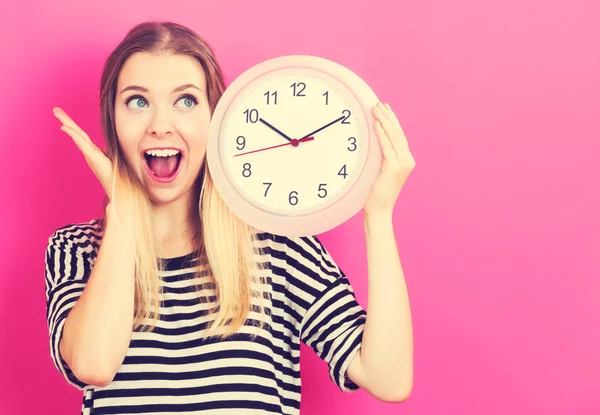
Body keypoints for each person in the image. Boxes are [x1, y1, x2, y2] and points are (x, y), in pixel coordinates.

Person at [45, 21, 415, 415]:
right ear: (112, 121)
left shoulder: (279, 246)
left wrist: (378, 216)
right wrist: (121, 215)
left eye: (186, 101)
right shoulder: (77, 249)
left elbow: (388, 378)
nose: (159, 125)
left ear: (216, 118)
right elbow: (93, 366)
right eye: (137, 101)